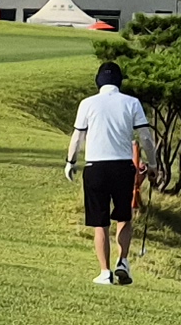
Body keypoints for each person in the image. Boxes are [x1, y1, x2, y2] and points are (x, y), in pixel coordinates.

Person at [64, 59, 151, 286]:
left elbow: (78, 137)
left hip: (96, 168)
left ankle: (105, 272)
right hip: (123, 167)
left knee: (100, 222)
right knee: (124, 216)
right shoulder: (132, 103)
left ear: (98, 82)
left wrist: (70, 161)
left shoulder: (87, 103)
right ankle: (122, 261)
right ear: (119, 82)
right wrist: (153, 163)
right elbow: (146, 137)